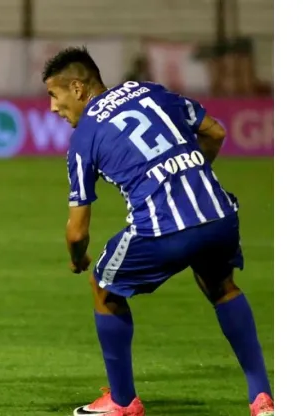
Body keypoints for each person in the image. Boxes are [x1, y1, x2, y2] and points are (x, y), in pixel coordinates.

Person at [41, 47, 274, 416]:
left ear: (78, 89)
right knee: (221, 287)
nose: (53, 108)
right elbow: (214, 131)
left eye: (55, 95)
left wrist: (77, 259)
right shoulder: (151, 91)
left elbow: (76, 232)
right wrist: (186, 177)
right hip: (218, 215)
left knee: (104, 287)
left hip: (163, 229)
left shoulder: (84, 137)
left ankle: (121, 402)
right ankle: (262, 397)